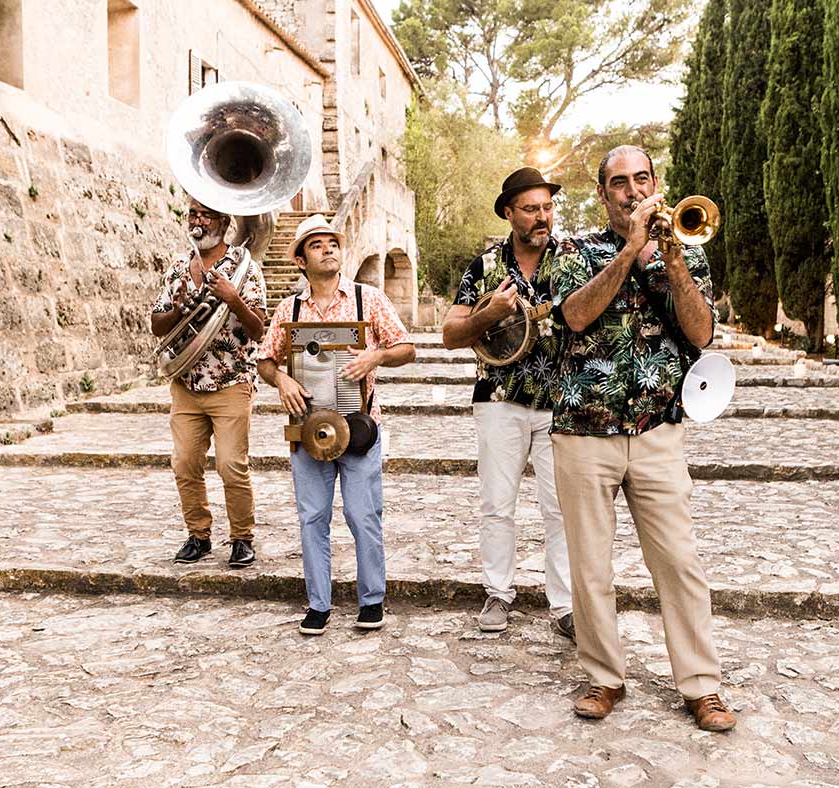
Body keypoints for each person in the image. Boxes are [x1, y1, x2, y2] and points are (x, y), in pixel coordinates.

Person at [547, 146, 736, 731]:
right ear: (602, 194)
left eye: (641, 179)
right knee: (591, 568)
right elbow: (575, 316)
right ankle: (604, 678)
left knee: (679, 561)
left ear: (656, 183)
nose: (632, 190)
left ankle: (701, 687)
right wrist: (630, 250)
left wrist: (671, 261)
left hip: (657, 429)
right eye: (619, 183)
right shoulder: (573, 250)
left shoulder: (685, 248)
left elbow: (701, 333)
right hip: (584, 430)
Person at [255, 214, 416, 635]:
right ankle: (319, 604)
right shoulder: (288, 308)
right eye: (316, 244)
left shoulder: (369, 300)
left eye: (333, 242)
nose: (328, 249)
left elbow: (406, 348)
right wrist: (283, 378)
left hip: (358, 427)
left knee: (364, 515)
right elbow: (265, 361)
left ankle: (371, 599)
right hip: (308, 430)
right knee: (312, 517)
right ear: (300, 260)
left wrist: (375, 356)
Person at [441, 167, 574, 640]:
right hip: (499, 400)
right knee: (498, 505)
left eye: (548, 208)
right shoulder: (483, 268)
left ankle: (566, 605)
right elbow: (450, 335)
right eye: (532, 209)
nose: (543, 217)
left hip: (562, 399)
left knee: (562, 508)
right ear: (509, 213)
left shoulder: (575, 260)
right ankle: (498, 592)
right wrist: (490, 312)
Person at [150, 197, 267, 569]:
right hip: (186, 381)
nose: (198, 221)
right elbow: (156, 325)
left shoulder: (245, 270)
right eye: (193, 215)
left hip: (231, 380)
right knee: (184, 462)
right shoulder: (178, 268)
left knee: (232, 465)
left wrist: (233, 300)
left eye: (206, 215)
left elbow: (259, 329)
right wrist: (176, 310)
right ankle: (198, 535)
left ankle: (242, 538)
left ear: (224, 223)